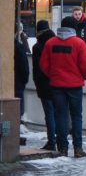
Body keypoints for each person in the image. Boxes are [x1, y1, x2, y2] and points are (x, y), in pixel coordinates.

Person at [40, 16, 86, 158]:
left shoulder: (50, 43)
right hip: (75, 86)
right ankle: (78, 148)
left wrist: (53, 75)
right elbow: (85, 65)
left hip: (57, 86)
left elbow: (43, 64)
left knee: (60, 116)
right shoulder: (79, 44)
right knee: (76, 117)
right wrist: (82, 77)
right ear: (74, 28)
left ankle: (62, 148)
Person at [32, 20, 57, 151]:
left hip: (44, 85)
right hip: (58, 83)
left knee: (49, 114)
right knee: (59, 113)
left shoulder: (38, 46)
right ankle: (61, 142)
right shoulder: (56, 42)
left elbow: (38, 69)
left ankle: (51, 142)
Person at [14, 25, 29, 146]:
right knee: (17, 110)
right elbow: (24, 68)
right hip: (18, 83)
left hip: (16, 82)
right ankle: (14, 135)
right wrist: (24, 81)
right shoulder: (18, 47)